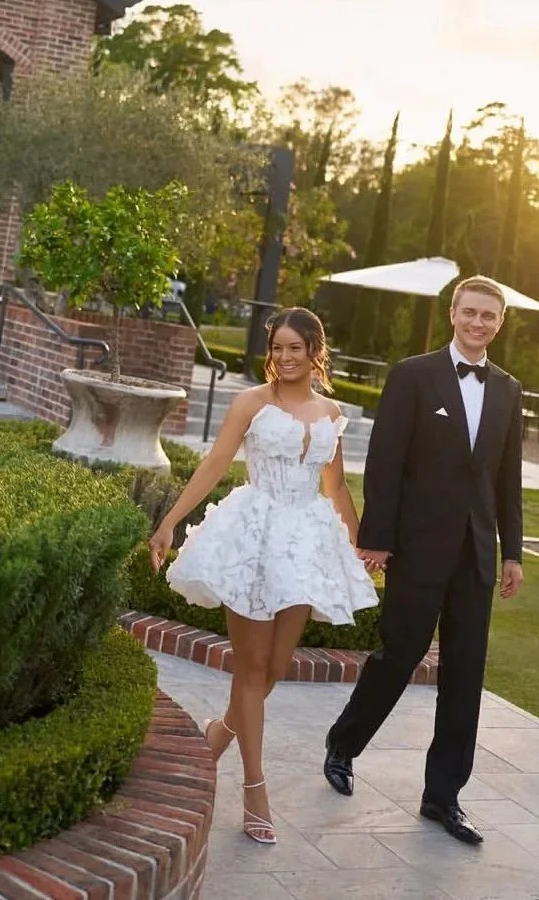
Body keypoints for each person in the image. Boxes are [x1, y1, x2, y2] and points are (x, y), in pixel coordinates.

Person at [148, 307, 378, 846]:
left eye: (295, 347)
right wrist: (170, 521)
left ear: (314, 351)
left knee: (273, 669)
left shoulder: (331, 412)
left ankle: (222, 730)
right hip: (252, 536)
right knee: (251, 671)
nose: (285, 356)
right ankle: (255, 787)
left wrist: (360, 539)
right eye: (277, 347)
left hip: (303, 545)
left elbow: (336, 487)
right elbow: (214, 464)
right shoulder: (251, 403)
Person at [323, 274, 524, 846]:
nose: (478, 322)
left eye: (489, 315)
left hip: (477, 556)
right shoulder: (413, 376)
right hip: (416, 546)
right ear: (453, 313)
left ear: (499, 322)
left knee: (465, 673)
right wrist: (377, 538)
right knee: (400, 654)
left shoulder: (509, 390)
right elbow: (386, 464)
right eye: (470, 312)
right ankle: (344, 743)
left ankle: (443, 798)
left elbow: (507, 480)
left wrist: (513, 552)